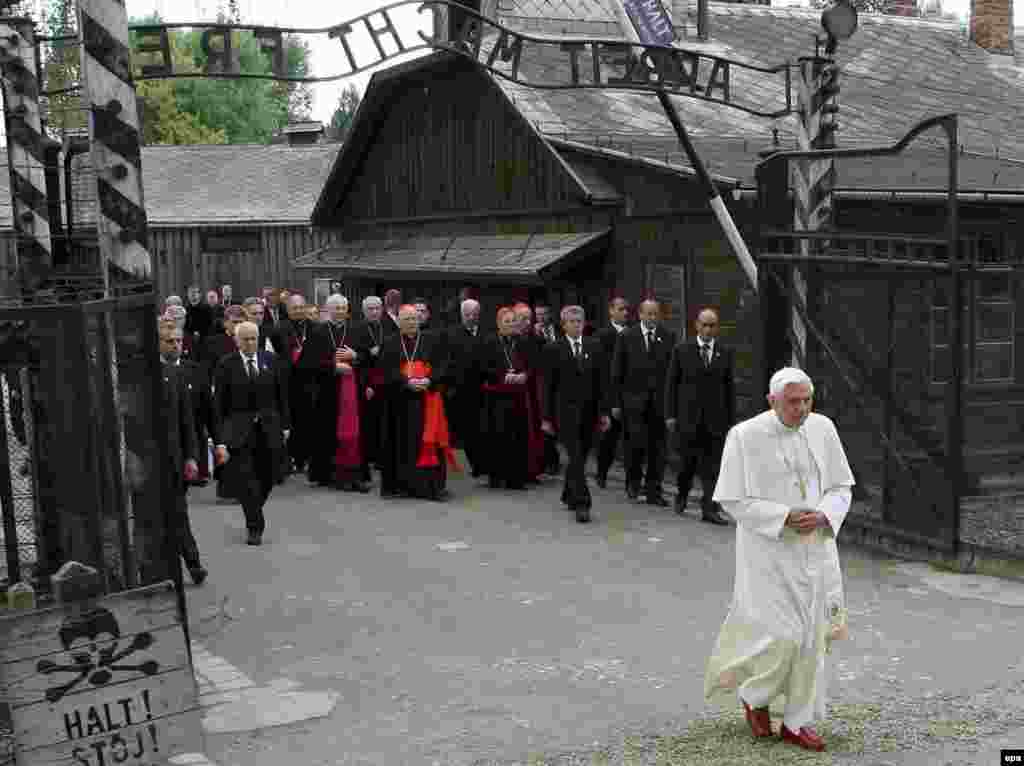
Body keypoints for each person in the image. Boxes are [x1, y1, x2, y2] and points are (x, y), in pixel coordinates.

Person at [704, 367, 853, 752]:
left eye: (807, 401)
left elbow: (841, 486)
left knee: (810, 639)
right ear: (772, 401)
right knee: (782, 636)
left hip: (815, 548)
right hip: (768, 552)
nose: (801, 409)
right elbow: (731, 499)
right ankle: (755, 696)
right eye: (793, 402)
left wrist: (825, 514)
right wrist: (783, 516)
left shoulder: (823, 428)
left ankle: (797, 721)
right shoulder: (745, 436)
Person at [213, 321, 291, 546]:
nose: (250, 342)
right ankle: (254, 526)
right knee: (246, 479)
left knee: (267, 477)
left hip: (269, 427)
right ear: (236, 341)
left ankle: (253, 506)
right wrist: (220, 435)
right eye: (245, 339)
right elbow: (219, 403)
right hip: (239, 431)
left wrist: (285, 424)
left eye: (253, 338)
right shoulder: (226, 365)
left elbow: (281, 396)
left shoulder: (271, 360)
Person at [378, 304, 458, 500]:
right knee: (402, 444)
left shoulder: (433, 340)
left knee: (429, 443)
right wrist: (406, 382)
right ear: (399, 322)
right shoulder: (389, 342)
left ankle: (432, 487)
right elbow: (384, 370)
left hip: (428, 399)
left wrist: (429, 380)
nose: (412, 323)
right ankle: (403, 486)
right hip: (400, 403)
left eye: (414, 319)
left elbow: (444, 365)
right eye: (406, 319)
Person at [542, 306, 611, 523]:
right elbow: (548, 387)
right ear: (563, 325)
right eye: (571, 321)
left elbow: (602, 382)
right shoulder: (554, 349)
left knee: (579, 457)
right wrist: (546, 418)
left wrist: (604, 412)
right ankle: (583, 503)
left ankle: (569, 492)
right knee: (577, 456)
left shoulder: (594, 346)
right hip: (565, 413)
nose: (576, 325)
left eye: (579, 321)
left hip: (589, 412)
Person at [665, 307, 733, 525]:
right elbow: (671, 384)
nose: (708, 329)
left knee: (712, 468)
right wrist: (671, 415)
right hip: (688, 419)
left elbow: (729, 388)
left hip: (715, 421)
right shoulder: (682, 350)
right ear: (697, 326)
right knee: (687, 464)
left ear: (717, 328)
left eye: (712, 325)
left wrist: (730, 420)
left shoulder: (724, 352)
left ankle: (709, 509)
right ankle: (682, 494)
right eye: (704, 324)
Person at [610, 299, 675, 506]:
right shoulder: (627, 336)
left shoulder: (668, 337)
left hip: (658, 403)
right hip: (633, 402)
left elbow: (672, 373)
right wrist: (616, 402)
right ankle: (633, 482)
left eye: (655, 314)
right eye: (648, 314)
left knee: (658, 449)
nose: (652, 318)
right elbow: (617, 371)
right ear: (640, 314)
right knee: (635, 445)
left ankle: (654, 490)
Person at [158, 320, 207, 585]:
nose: (176, 346)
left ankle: (193, 563)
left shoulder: (176, 374)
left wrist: (191, 456)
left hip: (175, 459)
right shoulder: (142, 374)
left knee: (178, 514)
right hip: (147, 461)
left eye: (178, 342)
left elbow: (186, 420)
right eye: (170, 342)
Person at [305, 295, 368, 492]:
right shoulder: (317, 331)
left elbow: (370, 357)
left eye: (343, 307)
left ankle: (355, 474)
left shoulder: (358, 329)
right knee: (328, 432)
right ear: (328, 309)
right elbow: (309, 363)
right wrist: (333, 367)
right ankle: (330, 475)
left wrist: (355, 356)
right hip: (328, 391)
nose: (340, 311)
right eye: (337, 307)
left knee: (355, 433)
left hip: (353, 390)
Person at [479, 307, 544, 490]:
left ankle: (516, 477)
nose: (510, 325)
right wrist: (501, 375)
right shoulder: (490, 341)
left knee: (518, 436)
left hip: (518, 396)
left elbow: (533, 365)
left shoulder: (523, 342)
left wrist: (524, 375)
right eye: (506, 321)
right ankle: (496, 475)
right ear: (499, 324)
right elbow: (482, 367)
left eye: (513, 321)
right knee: (497, 436)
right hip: (496, 396)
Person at [444, 298, 484, 477]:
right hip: (460, 391)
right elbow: (448, 362)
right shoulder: (451, 334)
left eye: (474, 314)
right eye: (467, 314)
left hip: (484, 390)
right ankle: (476, 464)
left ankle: (483, 464)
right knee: (467, 431)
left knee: (482, 429)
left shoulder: (486, 333)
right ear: (461, 315)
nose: (470, 318)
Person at [594, 294, 630, 488]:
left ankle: (631, 479)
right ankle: (601, 473)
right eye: (620, 309)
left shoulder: (633, 333)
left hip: (630, 393)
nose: (624, 313)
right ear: (611, 311)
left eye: (626, 310)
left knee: (631, 439)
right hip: (609, 393)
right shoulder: (603, 335)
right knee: (608, 438)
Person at [280, 294, 315, 475]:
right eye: (295, 308)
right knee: (292, 421)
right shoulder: (280, 328)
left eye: (301, 307)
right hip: (289, 381)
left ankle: (309, 457)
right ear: (288, 310)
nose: (299, 310)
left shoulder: (315, 327)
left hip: (310, 381)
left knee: (309, 420)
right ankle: (293, 458)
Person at [354, 296, 387, 478]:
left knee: (384, 421)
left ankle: (382, 458)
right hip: (365, 382)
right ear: (364, 311)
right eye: (370, 309)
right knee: (367, 423)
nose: (374, 312)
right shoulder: (357, 329)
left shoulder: (388, 327)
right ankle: (367, 458)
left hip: (384, 381)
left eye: (377, 308)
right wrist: (368, 351)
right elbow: (356, 358)